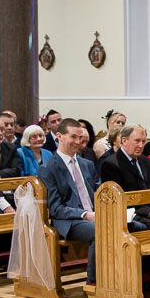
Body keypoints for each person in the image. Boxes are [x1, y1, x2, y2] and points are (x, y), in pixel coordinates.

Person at [38, 118, 99, 284]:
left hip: (95, 215)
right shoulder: (48, 168)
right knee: (99, 232)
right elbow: (56, 208)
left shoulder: (87, 164)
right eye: (73, 137)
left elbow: (99, 193)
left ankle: (130, 279)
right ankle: (94, 284)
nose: (78, 142)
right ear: (59, 136)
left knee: (136, 226)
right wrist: (85, 214)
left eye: (80, 138)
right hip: (69, 220)